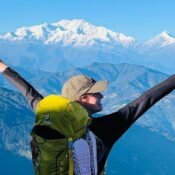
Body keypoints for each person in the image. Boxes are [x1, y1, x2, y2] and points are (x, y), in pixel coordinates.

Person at [0, 58, 175, 175]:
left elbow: (28, 92)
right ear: (82, 98)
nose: (102, 96)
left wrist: (3, 68)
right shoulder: (108, 127)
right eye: (96, 93)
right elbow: (147, 99)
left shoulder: (50, 115)